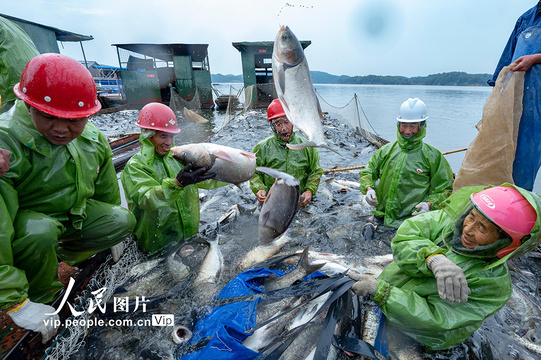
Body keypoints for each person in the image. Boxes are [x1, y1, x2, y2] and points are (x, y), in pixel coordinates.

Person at [0, 53, 136, 343]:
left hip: (70, 219)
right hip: (24, 231)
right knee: (40, 231)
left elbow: (107, 194)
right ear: (27, 105)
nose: (61, 130)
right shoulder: (5, 143)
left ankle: (59, 258)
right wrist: (12, 301)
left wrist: (112, 237)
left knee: (122, 219)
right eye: (48, 116)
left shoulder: (94, 139)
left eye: (73, 120)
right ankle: (37, 295)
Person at [349, 184, 540, 350]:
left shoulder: (494, 287)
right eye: (471, 217)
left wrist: (382, 292)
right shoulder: (446, 223)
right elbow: (406, 234)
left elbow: (436, 319)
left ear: (506, 242)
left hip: (420, 336)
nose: (468, 229)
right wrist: (432, 257)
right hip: (386, 295)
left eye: (482, 228)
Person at [120, 102, 224, 254]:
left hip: (188, 239)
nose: (168, 142)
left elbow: (208, 179)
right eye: (163, 136)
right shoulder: (135, 165)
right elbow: (146, 198)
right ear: (148, 134)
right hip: (157, 245)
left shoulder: (178, 158)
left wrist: (230, 172)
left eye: (171, 136)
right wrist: (177, 184)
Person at [359, 98, 453, 228]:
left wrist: (429, 204)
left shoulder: (433, 156)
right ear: (398, 125)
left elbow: (444, 189)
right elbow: (368, 172)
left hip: (411, 222)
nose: (407, 131)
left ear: (422, 126)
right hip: (381, 216)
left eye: (413, 126)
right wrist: (369, 188)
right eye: (404, 125)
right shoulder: (386, 150)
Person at [488, 2, 541, 191]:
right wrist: (497, 88)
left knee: (530, 155)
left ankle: (522, 203)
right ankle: (504, 203)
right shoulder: (525, 18)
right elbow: (507, 56)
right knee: (506, 152)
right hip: (516, 98)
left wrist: (535, 58)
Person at [250, 99, 323, 207]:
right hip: (271, 202)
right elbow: (254, 173)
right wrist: (259, 188)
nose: (284, 128)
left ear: (293, 122)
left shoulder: (307, 146)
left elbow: (315, 171)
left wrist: (309, 190)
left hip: (299, 201)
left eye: (286, 122)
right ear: (272, 126)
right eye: (278, 124)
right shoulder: (262, 148)